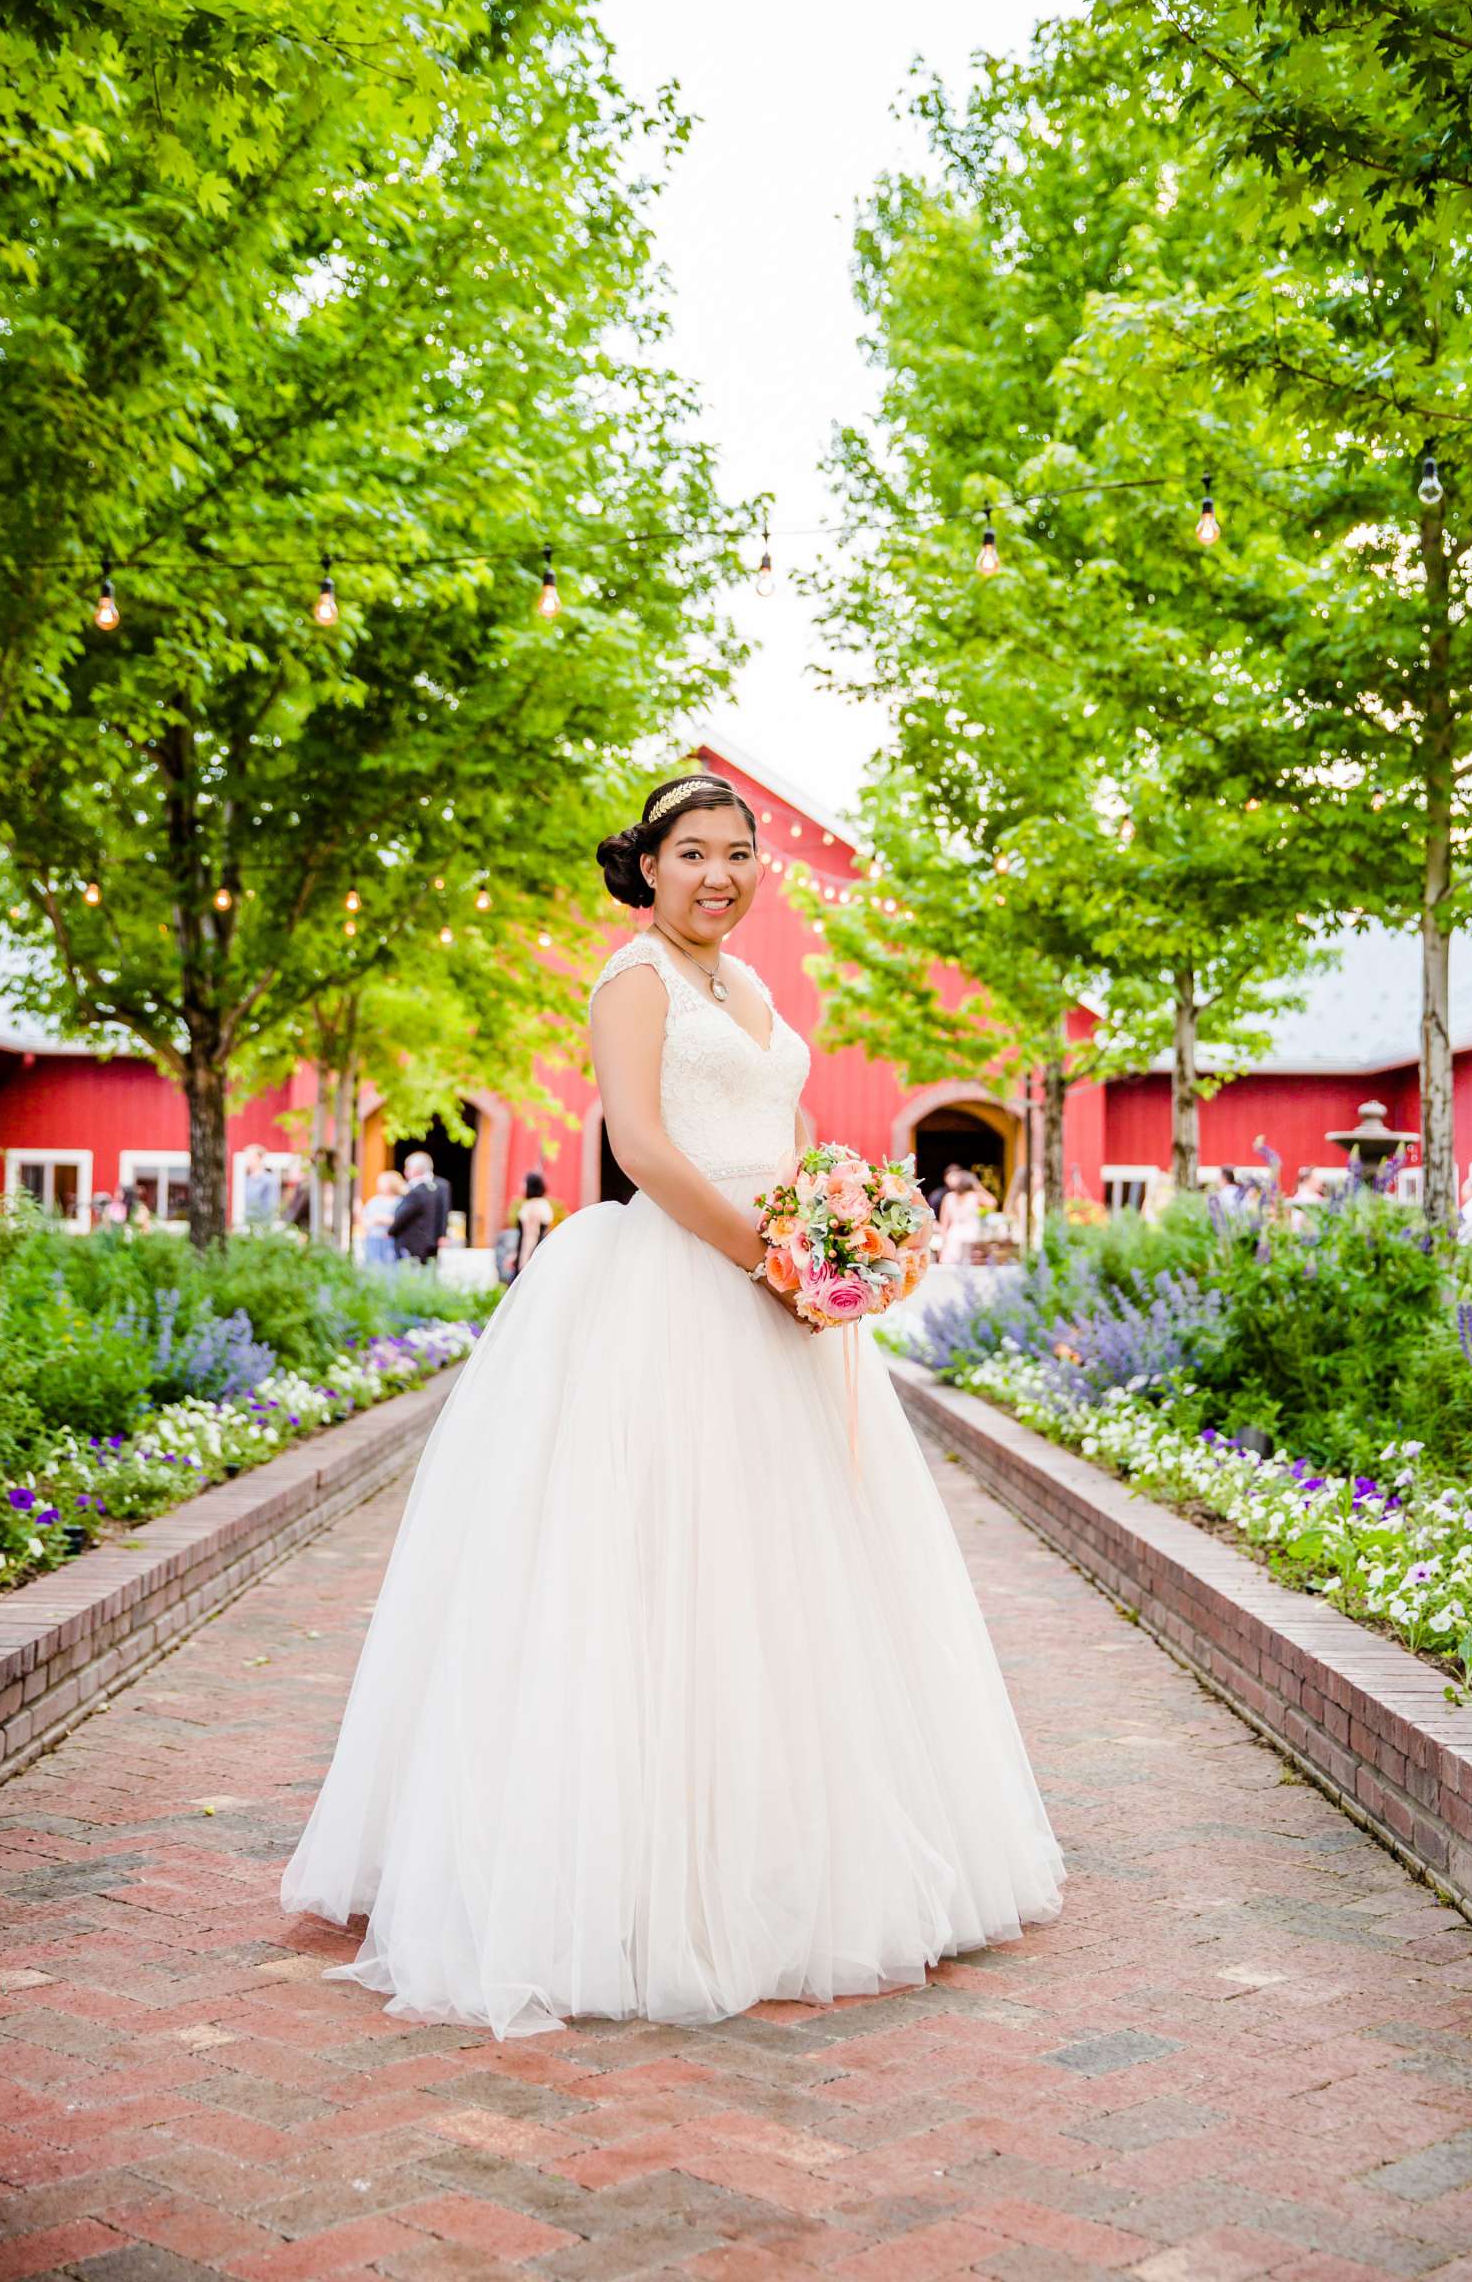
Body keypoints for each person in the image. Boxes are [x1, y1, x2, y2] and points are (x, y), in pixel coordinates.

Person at [280, 772, 1064, 2039]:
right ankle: (639, 1871)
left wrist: (837, 1231)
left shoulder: (751, 990)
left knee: (795, 1581)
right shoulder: (632, 981)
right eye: (692, 852)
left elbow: (791, 1125)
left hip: (788, 1301)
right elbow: (640, 1145)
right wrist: (772, 1256)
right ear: (646, 867)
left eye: (740, 853)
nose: (719, 873)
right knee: (660, 1571)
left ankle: (787, 1851)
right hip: (680, 1286)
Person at [388, 1150, 451, 1264]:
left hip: (414, 1242)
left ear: (416, 1170)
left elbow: (443, 1211)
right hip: (429, 1242)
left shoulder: (419, 1190)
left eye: (408, 1168)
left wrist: (390, 1231)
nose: (405, 1172)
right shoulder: (418, 1187)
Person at [939, 1164, 996, 1265]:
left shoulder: (948, 1197)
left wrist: (943, 1243)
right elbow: (992, 1202)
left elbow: (944, 1224)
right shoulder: (975, 1196)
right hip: (971, 1234)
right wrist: (978, 1186)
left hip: (954, 1234)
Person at [360, 1170, 405, 1267]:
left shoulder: (400, 1201)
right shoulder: (374, 1200)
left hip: (390, 1240)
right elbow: (364, 1219)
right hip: (373, 1239)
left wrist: (383, 1219)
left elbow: (401, 1220)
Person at [513, 1170, 553, 1275]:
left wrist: (524, 1262)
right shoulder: (543, 1204)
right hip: (539, 1254)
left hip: (530, 1255)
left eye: (524, 1183)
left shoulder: (533, 1206)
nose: (521, 1186)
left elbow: (531, 1235)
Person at [239, 1144, 280, 1227]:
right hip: (245, 1223)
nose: (247, 1160)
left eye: (249, 1157)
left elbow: (271, 1205)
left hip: (261, 1224)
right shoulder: (244, 1179)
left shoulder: (269, 1180)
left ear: (258, 1158)